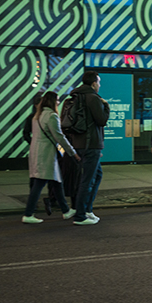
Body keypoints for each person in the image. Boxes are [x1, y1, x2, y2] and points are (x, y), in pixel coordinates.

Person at [22, 91, 79, 224]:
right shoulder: (51, 116)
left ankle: (66, 211)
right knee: (40, 182)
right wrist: (72, 152)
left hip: (36, 152)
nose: (58, 102)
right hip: (46, 153)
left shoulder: (37, 115)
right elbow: (59, 137)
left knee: (57, 182)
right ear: (52, 101)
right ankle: (28, 214)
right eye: (57, 100)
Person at [69, 71, 110, 226]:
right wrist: (106, 107)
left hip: (79, 143)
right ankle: (80, 215)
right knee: (87, 180)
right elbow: (101, 120)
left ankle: (86, 209)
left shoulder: (76, 96)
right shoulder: (92, 98)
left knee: (96, 175)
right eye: (98, 82)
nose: (99, 85)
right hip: (90, 145)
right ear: (94, 84)